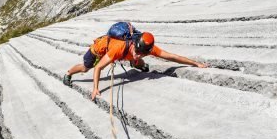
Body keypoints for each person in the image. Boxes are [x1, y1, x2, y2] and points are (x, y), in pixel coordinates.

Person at [63, 25, 207, 101]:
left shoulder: (147, 48)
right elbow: (99, 67)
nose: (137, 54)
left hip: (116, 53)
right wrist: (95, 88)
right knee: (85, 68)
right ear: (135, 43)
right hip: (98, 50)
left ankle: (140, 65)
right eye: (137, 52)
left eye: (141, 54)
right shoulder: (119, 48)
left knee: (135, 61)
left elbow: (170, 57)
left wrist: (195, 64)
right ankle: (68, 73)